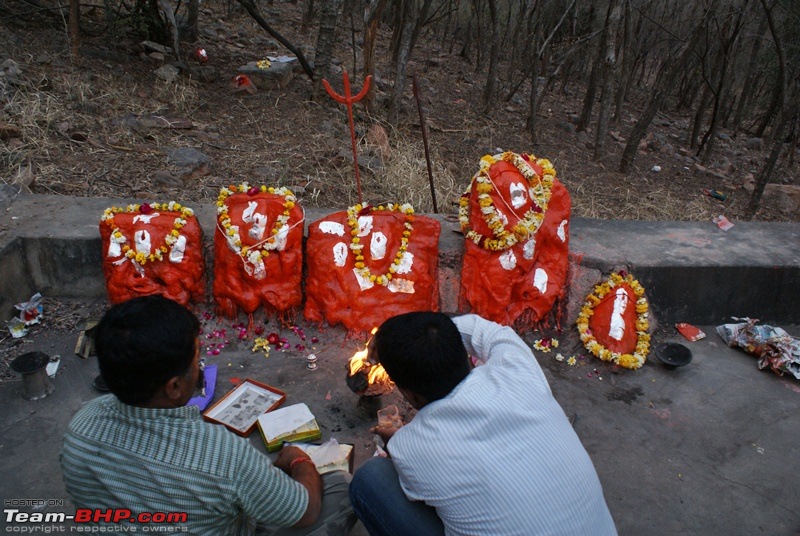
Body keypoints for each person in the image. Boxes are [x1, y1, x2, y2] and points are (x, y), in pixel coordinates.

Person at [60, 295, 356, 536]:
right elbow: (305, 512)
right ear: (174, 386)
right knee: (341, 485)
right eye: (197, 359)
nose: (201, 368)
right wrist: (297, 459)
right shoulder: (221, 454)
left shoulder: (81, 428)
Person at [349, 312, 617, 536]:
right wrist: (429, 338)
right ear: (465, 355)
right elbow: (484, 329)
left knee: (371, 479)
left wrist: (393, 444)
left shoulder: (409, 446)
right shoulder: (517, 368)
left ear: (410, 395)